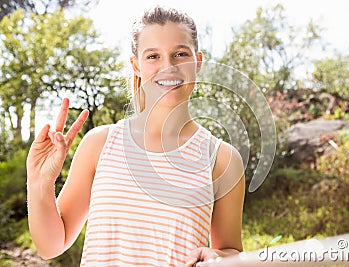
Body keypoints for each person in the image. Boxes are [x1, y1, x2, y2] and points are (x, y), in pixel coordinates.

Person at [26, 6, 245, 267]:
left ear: (197, 62)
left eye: (180, 54)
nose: (168, 67)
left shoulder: (222, 159)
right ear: (136, 65)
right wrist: (40, 182)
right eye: (153, 56)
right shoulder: (99, 144)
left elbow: (231, 251)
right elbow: (51, 245)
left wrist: (219, 256)